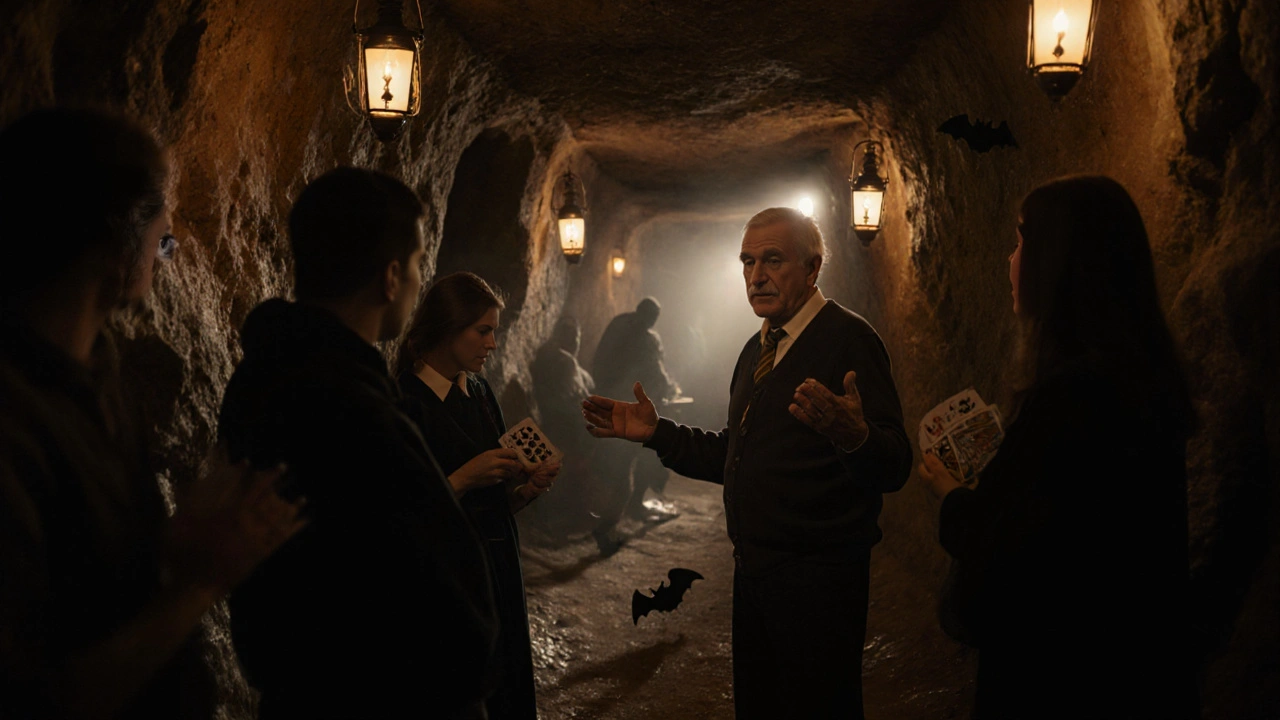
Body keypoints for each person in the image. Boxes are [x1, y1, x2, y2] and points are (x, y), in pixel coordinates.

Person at [0, 107, 304, 719]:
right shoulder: (15, 419)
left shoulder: (99, 370)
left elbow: (86, 583)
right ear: (114, 238)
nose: (169, 247)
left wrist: (173, 548)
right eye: (161, 231)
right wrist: (202, 583)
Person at [582, 207, 912, 719]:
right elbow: (736, 454)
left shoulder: (849, 340)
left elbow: (894, 466)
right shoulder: (757, 347)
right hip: (755, 574)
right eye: (747, 261)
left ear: (813, 267)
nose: (756, 276)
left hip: (818, 581)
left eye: (773, 260)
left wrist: (857, 437)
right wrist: (657, 433)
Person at [217, 169, 498, 719]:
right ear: (391, 277)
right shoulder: (351, 406)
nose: (419, 281)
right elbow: (417, 582)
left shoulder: (261, 376)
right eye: (419, 264)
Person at [916, 176, 1198, 719]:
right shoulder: (1143, 380)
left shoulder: (1072, 398)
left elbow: (1009, 555)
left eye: (1023, 242)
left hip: (1063, 680)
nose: (1010, 258)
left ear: (1061, 264)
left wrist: (952, 493)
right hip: (1137, 673)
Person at [395, 271, 559, 720]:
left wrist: (525, 491)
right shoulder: (406, 403)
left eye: (494, 332)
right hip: (445, 581)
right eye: (482, 331)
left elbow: (495, 504)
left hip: (498, 568)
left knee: (508, 686)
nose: (491, 344)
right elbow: (399, 519)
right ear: (448, 327)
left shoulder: (481, 392)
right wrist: (466, 476)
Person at [591, 298, 680, 553]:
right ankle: (606, 527)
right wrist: (666, 389)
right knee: (623, 467)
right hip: (627, 408)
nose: (651, 322)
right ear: (645, 314)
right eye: (651, 318)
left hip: (616, 404)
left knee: (618, 466)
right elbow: (654, 371)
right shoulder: (640, 336)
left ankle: (609, 521)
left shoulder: (625, 327)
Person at [529, 316, 597, 539]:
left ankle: (574, 513)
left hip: (552, 424)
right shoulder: (564, 362)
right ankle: (577, 515)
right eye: (574, 337)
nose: (576, 342)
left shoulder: (548, 358)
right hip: (563, 428)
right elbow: (574, 402)